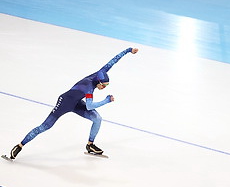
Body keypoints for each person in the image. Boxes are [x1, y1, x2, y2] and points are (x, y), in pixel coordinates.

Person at [8, 47, 139, 159]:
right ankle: (19, 146)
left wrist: (128, 50)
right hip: (64, 102)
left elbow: (113, 61)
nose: (104, 88)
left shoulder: (99, 74)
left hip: (76, 102)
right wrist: (106, 100)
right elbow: (89, 106)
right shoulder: (89, 88)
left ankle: (90, 145)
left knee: (97, 119)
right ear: (98, 82)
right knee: (45, 126)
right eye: (103, 86)